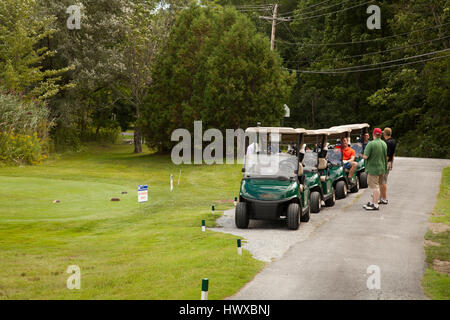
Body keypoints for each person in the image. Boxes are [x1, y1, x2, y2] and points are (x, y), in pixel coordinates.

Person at [362, 128, 387, 211]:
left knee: (375, 187)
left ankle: (375, 205)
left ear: (373, 134)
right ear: (380, 134)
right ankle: (373, 202)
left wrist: (361, 155)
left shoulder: (371, 144)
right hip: (382, 168)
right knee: (378, 186)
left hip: (373, 169)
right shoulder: (384, 143)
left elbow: (365, 156)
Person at [380, 127, 396, 204]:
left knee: (383, 181)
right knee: (384, 180)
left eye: (383, 133)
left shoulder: (387, 142)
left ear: (385, 134)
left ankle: (384, 198)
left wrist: (383, 163)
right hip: (389, 163)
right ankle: (381, 197)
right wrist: (392, 163)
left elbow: (387, 155)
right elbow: (393, 154)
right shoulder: (393, 141)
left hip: (385, 163)